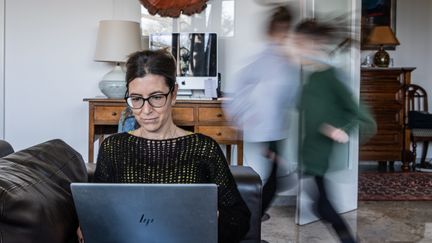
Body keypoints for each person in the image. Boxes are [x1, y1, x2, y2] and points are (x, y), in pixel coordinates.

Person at [91, 49, 251, 243]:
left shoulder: (204, 148)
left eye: (157, 97)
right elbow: (97, 211)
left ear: (173, 94)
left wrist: (215, 222)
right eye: (136, 99)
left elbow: (240, 217)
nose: (146, 110)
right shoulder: (112, 148)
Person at [293, 19, 377, 243]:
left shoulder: (331, 78)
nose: (295, 50)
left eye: (299, 44)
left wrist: (341, 131)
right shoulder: (312, 79)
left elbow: (364, 118)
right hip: (309, 156)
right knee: (320, 205)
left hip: (320, 158)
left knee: (322, 206)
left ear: (313, 45)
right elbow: (306, 112)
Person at [224, 5, 300, 217]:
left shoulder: (286, 60)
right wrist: (239, 114)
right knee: (276, 178)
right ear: (272, 32)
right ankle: (251, 216)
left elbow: (291, 94)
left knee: (277, 176)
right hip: (266, 127)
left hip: (278, 127)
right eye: (280, 31)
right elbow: (240, 85)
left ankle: (252, 213)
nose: (283, 36)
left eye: (286, 31)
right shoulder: (266, 59)